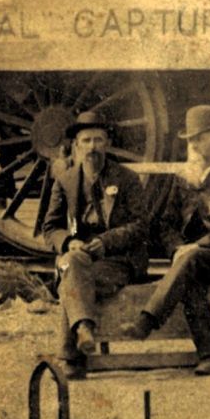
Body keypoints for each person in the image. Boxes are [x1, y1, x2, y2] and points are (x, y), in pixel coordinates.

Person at [125, 104, 210, 375]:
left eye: (199, 139)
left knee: (192, 260)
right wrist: (177, 248)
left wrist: (198, 245)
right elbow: (165, 224)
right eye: (191, 141)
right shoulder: (183, 179)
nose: (194, 146)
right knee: (189, 275)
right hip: (195, 260)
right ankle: (209, 357)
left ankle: (148, 320)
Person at [38, 111, 152, 380]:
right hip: (82, 257)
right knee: (72, 262)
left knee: (70, 275)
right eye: (86, 141)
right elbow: (50, 227)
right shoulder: (65, 181)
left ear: (107, 144)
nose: (92, 147)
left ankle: (72, 355)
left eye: (98, 140)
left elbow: (140, 226)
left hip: (118, 261)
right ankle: (83, 331)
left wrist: (105, 242)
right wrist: (70, 241)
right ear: (76, 146)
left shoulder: (127, 178)